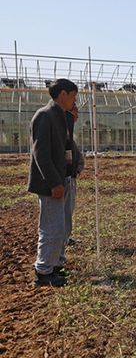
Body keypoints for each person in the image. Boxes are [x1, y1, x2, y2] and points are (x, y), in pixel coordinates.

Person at [28, 78, 78, 287]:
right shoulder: (44, 116)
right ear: (63, 94)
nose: (75, 101)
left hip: (63, 178)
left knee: (63, 226)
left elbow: (66, 145)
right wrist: (54, 183)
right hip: (52, 184)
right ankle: (43, 272)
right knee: (51, 227)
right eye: (73, 96)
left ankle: (55, 265)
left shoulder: (61, 116)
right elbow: (41, 154)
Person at [64, 103, 84, 247]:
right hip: (64, 177)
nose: (77, 116)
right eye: (75, 113)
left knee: (68, 209)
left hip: (70, 177)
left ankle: (65, 238)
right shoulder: (62, 131)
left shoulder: (68, 131)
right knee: (63, 211)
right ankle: (62, 240)